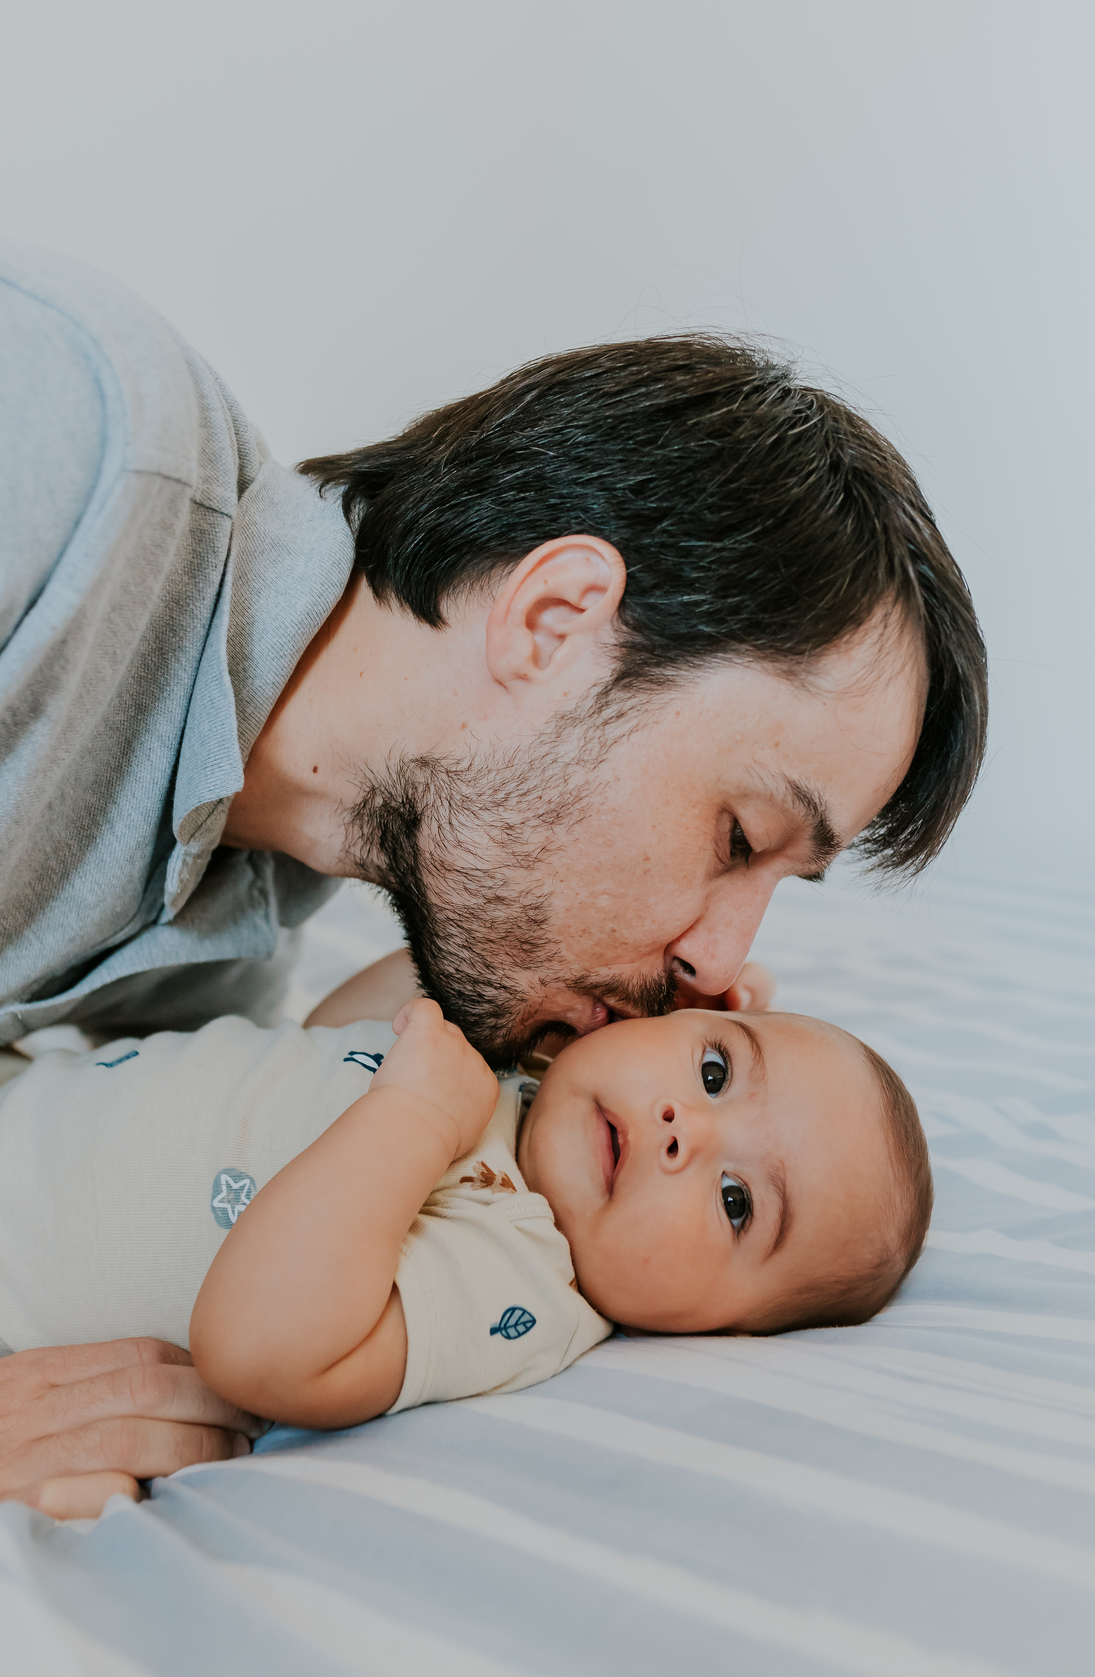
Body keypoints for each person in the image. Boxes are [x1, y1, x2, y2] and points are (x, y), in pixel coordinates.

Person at [0, 242, 984, 1505]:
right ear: (558, 622)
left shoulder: (226, 940)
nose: (720, 967)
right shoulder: (70, 447)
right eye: (739, 838)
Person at [0, 992, 931, 1517]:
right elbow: (347, 1022)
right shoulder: (517, 1083)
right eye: (715, 1066)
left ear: (724, 1328)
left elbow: (260, 1347)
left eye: (737, 1203)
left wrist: (415, 1117)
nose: (684, 1125)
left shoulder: (518, 1277)